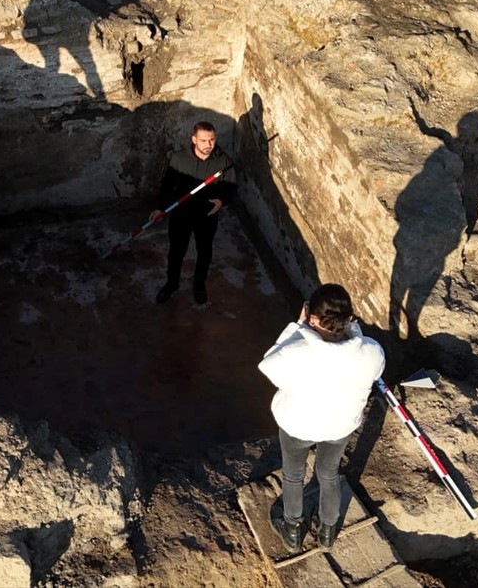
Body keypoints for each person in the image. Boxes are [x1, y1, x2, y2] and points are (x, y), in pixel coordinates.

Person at [258, 284, 386, 552]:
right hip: (340, 426)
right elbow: (373, 370)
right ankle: (328, 530)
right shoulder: (372, 351)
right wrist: (354, 331)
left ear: (312, 317)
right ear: (349, 318)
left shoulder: (296, 353)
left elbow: (268, 363)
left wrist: (297, 326)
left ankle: (293, 529)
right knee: (329, 474)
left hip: (298, 426)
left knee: (293, 475)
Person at [150, 121, 236, 304]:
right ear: (194, 139)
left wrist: (222, 201)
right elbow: (167, 185)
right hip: (181, 215)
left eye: (212, 140)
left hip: (207, 216)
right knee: (176, 252)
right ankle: (172, 284)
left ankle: (199, 285)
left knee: (204, 252)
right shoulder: (179, 159)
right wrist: (160, 207)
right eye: (203, 140)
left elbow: (231, 189)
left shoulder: (224, 162)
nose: (208, 145)